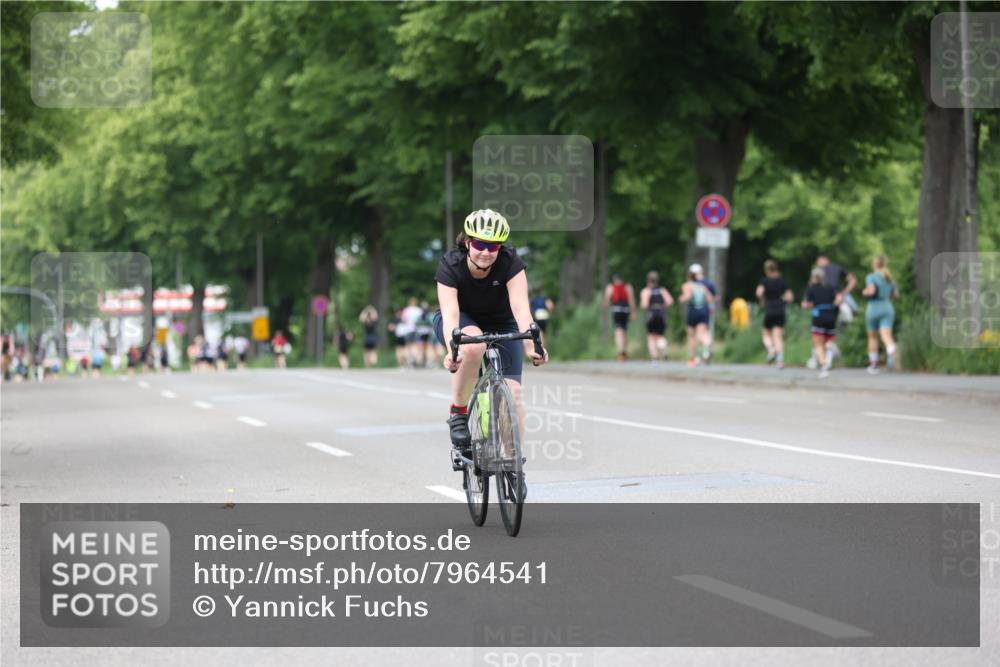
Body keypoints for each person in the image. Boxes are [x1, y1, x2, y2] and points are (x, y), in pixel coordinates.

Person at [434, 208, 548, 462]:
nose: (486, 252)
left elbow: (520, 308)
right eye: (480, 244)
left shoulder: (510, 263)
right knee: (473, 346)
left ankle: (513, 463)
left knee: (514, 393)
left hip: (502, 321)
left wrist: (532, 346)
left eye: (493, 246)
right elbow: (450, 314)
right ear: (467, 242)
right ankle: (459, 412)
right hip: (461, 320)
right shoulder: (450, 265)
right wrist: (453, 351)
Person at [807, 254, 857, 368]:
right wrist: (844, 293)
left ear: (821, 260)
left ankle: (819, 359)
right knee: (830, 331)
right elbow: (852, 280)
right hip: (836, 303)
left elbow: (810, 287)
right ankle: (827, 354)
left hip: (820, 306)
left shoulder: (817, 271)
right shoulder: (838, 268)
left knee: (818, 334)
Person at [802, 266, 844, 379]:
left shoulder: (811, 288)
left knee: (818, 344)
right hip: (831, 315)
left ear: (813, 277)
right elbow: (839, 299)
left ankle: (824, 366)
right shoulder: (830, 287)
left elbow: (805, 305)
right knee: (828, 339)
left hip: (819, 316)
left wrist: (810, 304)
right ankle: (831, 346)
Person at [863, 254, 899, 374]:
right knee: (886, 336)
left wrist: (865, 292)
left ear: (874, 264)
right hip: (887, 307)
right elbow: (895, 295)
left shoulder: (871, 277)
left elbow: (872, 291)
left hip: (874, 307)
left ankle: (873, 365)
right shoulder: (889, 278)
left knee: (872, 336)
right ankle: (892, 349)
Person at [755, 259, 793, 370]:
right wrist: (783, 301)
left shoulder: (765, 281)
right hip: (780, 309)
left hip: (770, 308)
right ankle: (780, 361)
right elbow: (790, 297)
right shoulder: (782, 281)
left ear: (766, 270)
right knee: (778, 336)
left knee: (766, 334)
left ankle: (771, 349)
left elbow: (759, 293)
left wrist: (763, 301)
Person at [680, 264, 715, 366]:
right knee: (703, 332)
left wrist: (681, 298)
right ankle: (707, 346)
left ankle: (693, 358)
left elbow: (687, 296)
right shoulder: (702, 286)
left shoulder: (687, 285)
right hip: (704, 310)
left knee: (692, 335)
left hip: (693, 310)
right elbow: (710, 298)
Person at [639, 271, 674, 362]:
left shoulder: (646, 291)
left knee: (651, 336)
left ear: (648, 280)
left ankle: (654, 357)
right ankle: (664, 351)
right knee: (660, 336)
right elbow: (670, 301)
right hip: (661, 314)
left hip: (651, 315)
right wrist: (663, 306)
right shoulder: (662, 290)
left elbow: (644, 305)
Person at [603, 274, 636, 361]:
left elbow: (606, 300)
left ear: (614, 280)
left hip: (616, 310)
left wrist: (605, 313)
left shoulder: (610, 287)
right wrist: (633, 312)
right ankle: (624, 349)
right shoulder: (628, 287)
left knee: (618, 330)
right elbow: (631, 300)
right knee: (624, 330)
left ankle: (620, 350)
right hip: (625, 310)